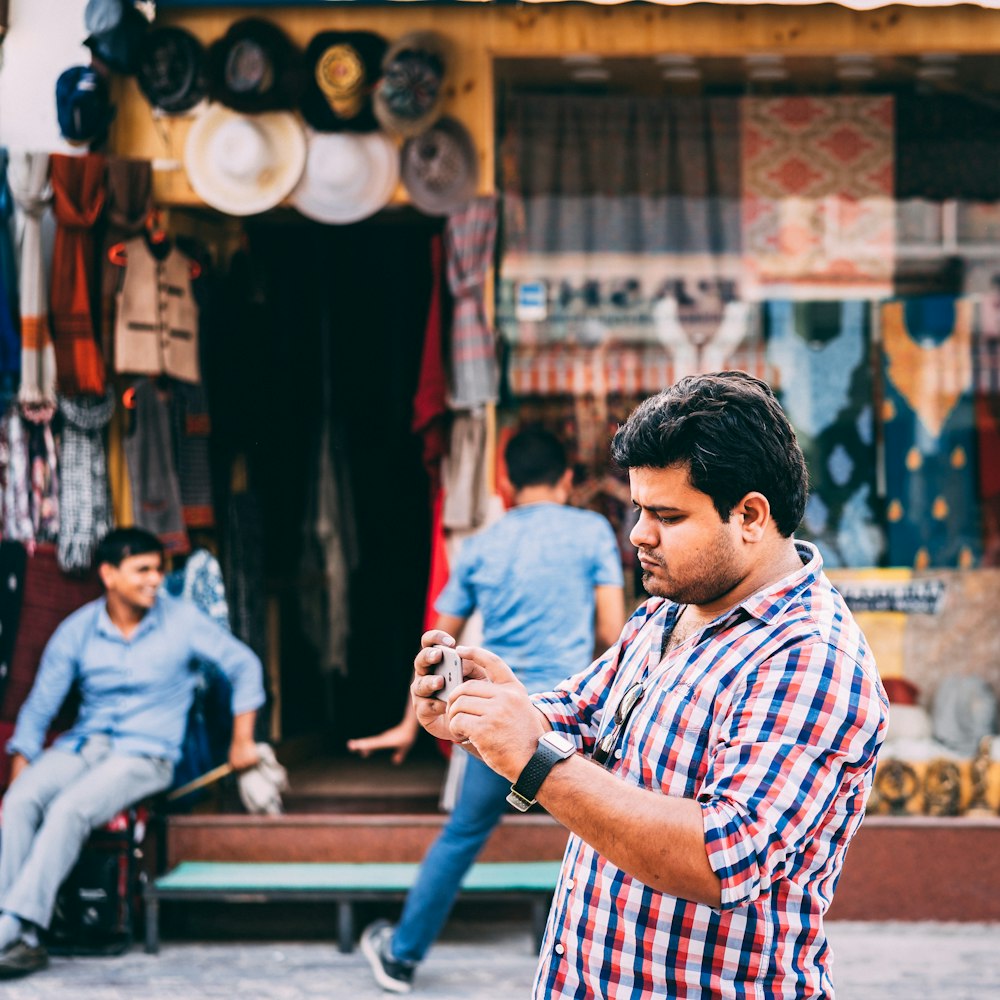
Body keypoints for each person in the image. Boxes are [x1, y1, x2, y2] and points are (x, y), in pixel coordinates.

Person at [408, 372, 888, 999]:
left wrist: (531, 759)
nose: (638, 533)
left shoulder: (810, 658)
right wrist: (489, 708)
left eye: (666, 515)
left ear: (749, 515)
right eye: (640, 508)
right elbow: (580, 714)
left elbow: (722, 858)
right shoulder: (670, 610)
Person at [352, 425, 626, 993]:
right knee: (609, 831)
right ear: (569, 479)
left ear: (505, 482)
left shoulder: (482, 545)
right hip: (575, 714)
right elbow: (609, 629)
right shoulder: (592, 530)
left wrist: (411, 725)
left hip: (496, 716)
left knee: (463, 833)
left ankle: (401, 957)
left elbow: (437, 646)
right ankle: (614, 969)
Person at [0, 527, 265, 979]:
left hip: (147, 754)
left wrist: (243, 740)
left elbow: (245, 665)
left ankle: (12, 926)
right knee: (21, 799)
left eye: (158, 569)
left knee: (69, 809)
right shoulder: (79, 629)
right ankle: (21, 939)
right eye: (142, 569)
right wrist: (22, 763)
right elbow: (39, 706)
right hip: (86, 744)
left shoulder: (180, 620)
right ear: (108, 574)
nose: (155, 579)